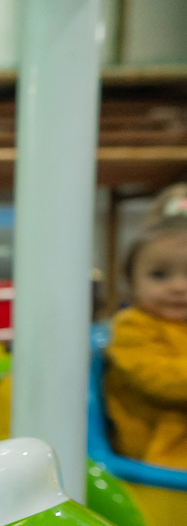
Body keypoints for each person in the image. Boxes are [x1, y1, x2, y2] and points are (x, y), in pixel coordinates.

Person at [106, 183, 187, 468]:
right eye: (160, 275)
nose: (178, 286)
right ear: (132, 282)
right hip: (158, 452)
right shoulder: (132, 327)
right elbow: (159, 381)